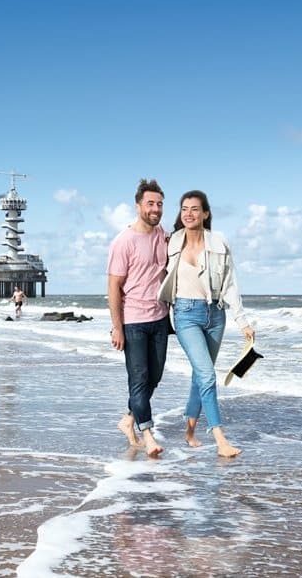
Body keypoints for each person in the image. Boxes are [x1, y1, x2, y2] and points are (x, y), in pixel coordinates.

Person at [158, 190, 255, 457]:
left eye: (195, 209)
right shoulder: (171, 242)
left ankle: (189, 430)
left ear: (206, 214)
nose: (188, 214)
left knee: (200, 376)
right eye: (184, 209)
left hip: (216, 315)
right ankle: (220, 438)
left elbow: (230, 284)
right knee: (207, 375)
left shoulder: (220, 243)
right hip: (185, 314)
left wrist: (243, 322)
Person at [108, 178, 169, 457]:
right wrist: (116, 328)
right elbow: (113, 287)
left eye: (159, 204)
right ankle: (148, 435)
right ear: (138, 206)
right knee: (139, 378)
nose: (155, 209)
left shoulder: (162, 235)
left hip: (159, 319)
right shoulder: (124, 241)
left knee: (154, 377)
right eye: (150, 204)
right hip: (133, 321)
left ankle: (129, 420)